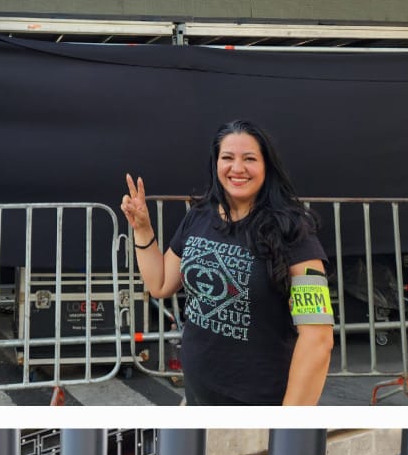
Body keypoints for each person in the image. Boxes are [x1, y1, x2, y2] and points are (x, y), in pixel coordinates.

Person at [121, 122, 333, 406]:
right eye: (228, 158)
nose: (237, 168)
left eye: (249, 159)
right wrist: (143, 229)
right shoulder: (199, 216)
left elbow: (318, 339)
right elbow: (159, 284)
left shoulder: (293, 231)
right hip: (197, 395)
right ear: (216, 163)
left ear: (267, 166)